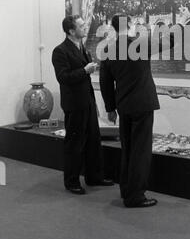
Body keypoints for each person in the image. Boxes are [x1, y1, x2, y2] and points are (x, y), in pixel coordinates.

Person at [99, 14, 173, 208]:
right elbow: (170, 41)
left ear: (114, 28)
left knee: (128, 149)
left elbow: (105, 83)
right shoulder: (140, 44)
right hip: (143, 104)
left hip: (123, 106)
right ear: (130, 25)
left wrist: (110, 108)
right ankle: (136, 196)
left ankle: (126, 190)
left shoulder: (107, 50)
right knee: (141, 151)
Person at [52, 15, 113, 195]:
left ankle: (94, 177)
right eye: (81, 25)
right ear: (71, 31)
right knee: (75, 143)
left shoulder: (81, 47)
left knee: (93, 140)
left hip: (87, 101)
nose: (85, 27)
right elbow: (63, 78)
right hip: (74, 104)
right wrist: (85, 70)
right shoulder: (60, 51)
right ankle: (71, 182)